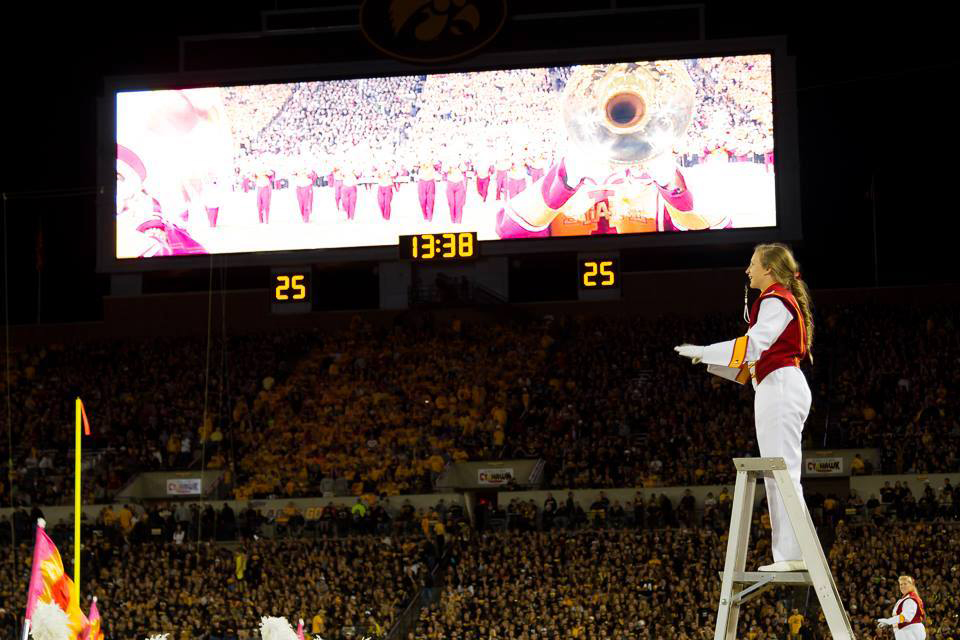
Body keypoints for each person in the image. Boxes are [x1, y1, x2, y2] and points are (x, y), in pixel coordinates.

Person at [674, 243, 814, 572]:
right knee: (781, 471)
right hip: (777, 384)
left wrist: (707, 351)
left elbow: (753, 346)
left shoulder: (776, 298)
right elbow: (753, 357)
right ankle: (795, 551)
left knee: (781, 471)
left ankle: (793, 554)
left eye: (752, 264)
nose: (747, 270)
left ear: (768, 269)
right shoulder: (777, 299)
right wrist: (710, 360)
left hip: (779, 387)